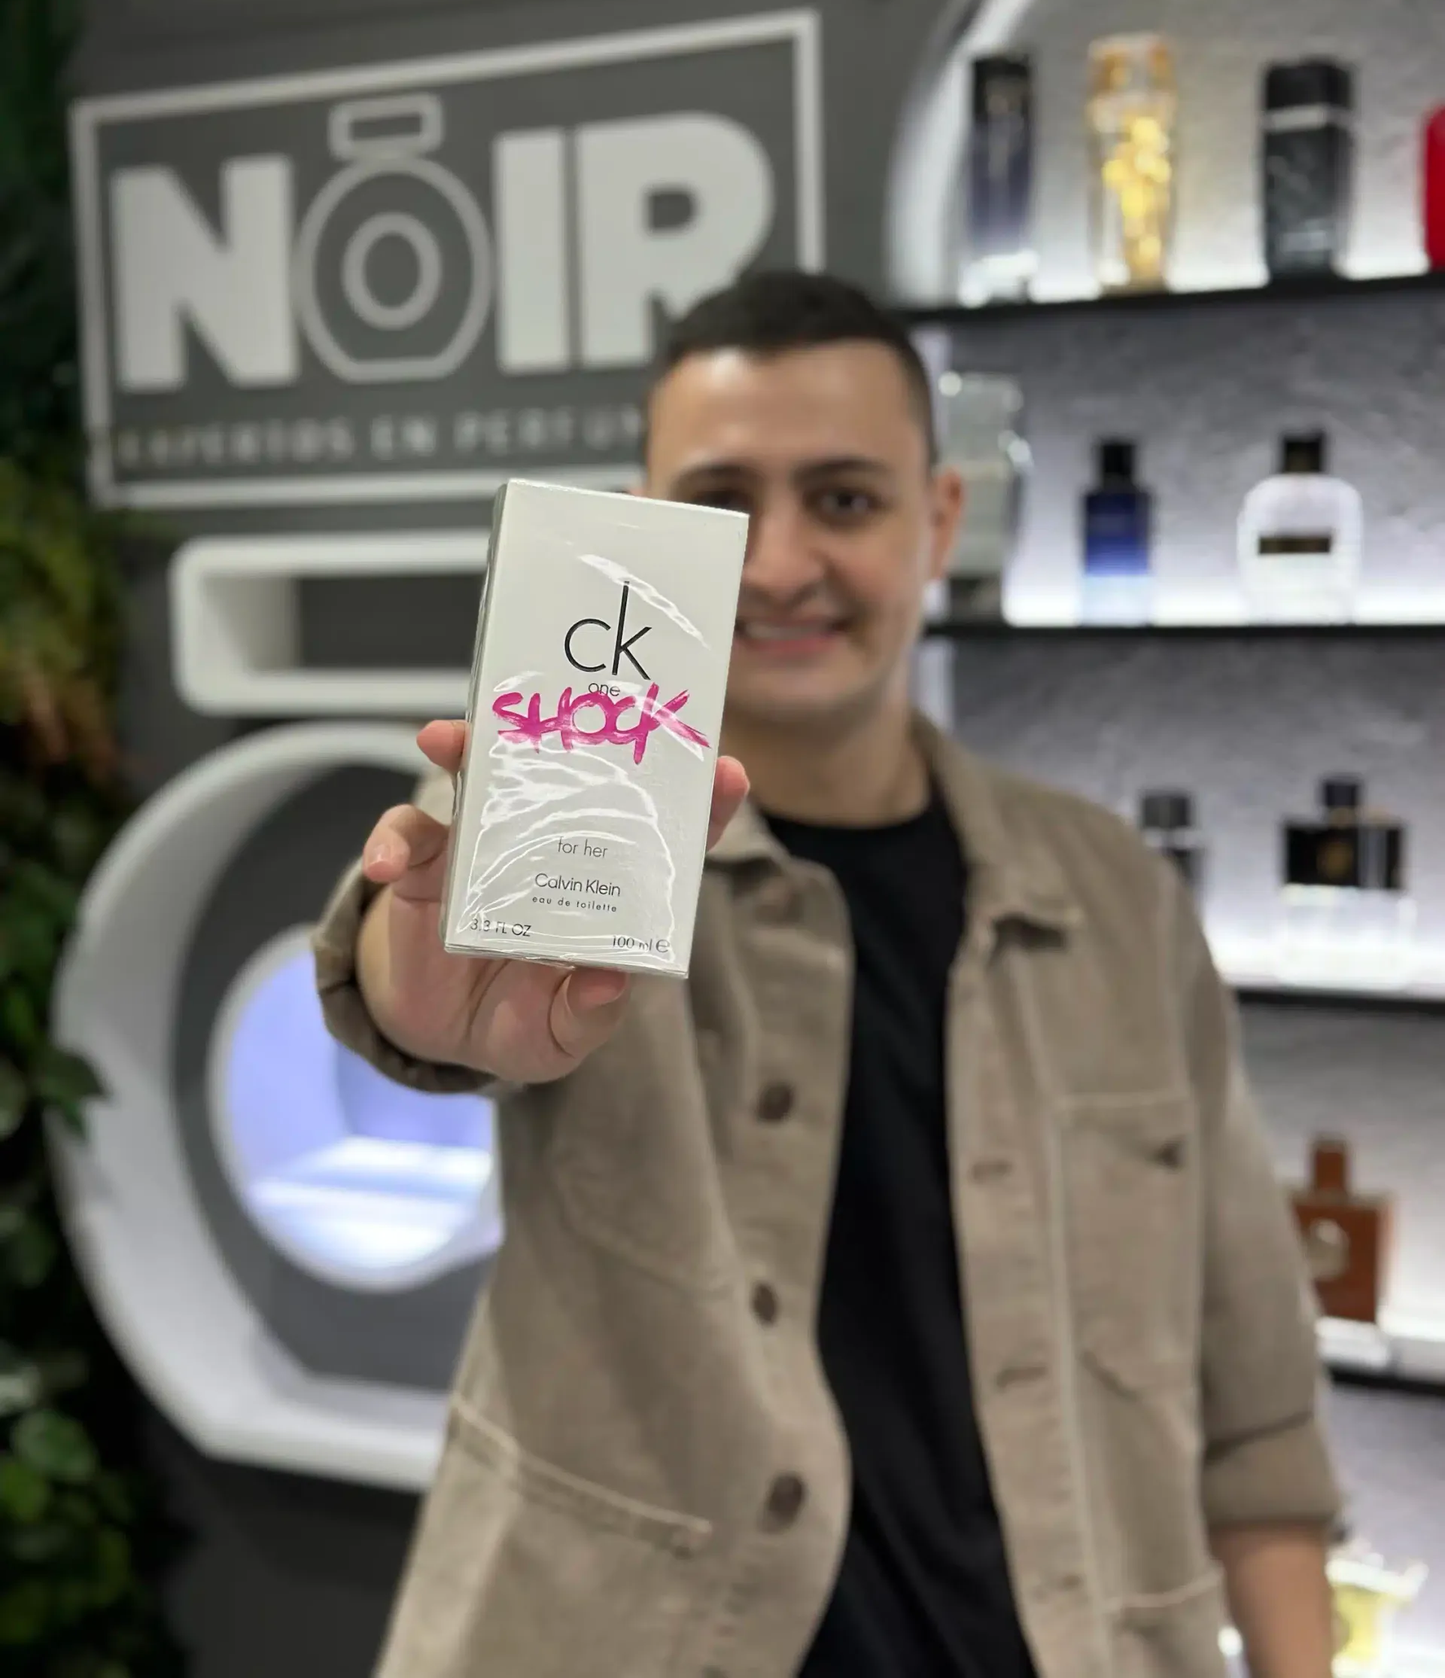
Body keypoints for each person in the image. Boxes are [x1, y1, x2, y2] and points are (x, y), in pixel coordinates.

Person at [314, 270, 1340, 1678]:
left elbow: (1261, 1423)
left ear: (941, 519)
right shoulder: (561, 839)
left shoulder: (1115, 898)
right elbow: (418, 974)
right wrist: (421, 980)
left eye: (844, 500)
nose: (780, 564)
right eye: (723, 504)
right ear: (651, 523)